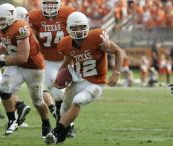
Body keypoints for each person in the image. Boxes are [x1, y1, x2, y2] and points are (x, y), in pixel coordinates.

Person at [44, 12, 125, 144]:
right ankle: (61, 136)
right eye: (75, 28)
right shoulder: (65, 43)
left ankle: (55, 132)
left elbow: (119, 52)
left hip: (96, 83)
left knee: (78, 100)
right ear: (69, 29)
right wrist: (59, 78)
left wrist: (116, 73)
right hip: (78, 80)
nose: (78, 30)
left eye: (81, 27)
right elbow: (66, 62)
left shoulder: (97, 37)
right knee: (64, 108)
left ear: (87, 26)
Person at [0, 3, 51, 136]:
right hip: (17, 66)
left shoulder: (21, 27)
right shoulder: (4, 28)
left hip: (33, 67)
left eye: (2, 19)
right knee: (3, 89)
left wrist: (0, 62)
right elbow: (6, 41)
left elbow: (22, 57)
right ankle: (12, 120)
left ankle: (46, 124)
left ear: (11, 17)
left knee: (38, 101)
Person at [28, 0, 76, 137]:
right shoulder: (34, 16)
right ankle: (68, 125)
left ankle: (66, 123)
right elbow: (30, 36)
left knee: (67, 94)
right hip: (48, 61)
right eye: (47, 3)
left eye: (53, 3)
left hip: (66, 59)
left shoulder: (68, 13)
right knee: (57, 92)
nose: (50, 6)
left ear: (59, 3)